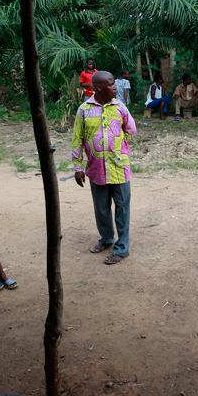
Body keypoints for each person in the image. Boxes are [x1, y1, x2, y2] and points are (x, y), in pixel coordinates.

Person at [72, 71, 137, 265]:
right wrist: (77, 167)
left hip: (119, 167)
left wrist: (119, 144)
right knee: (101, 208)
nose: (116, 87)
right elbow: (78, 138)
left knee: (122, 208)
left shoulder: (120, 107)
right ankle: (107, 239)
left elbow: (131, 129)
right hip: (96, 168)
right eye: (111, 84)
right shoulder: (84, 110)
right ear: (100, 87)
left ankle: (121, 249)